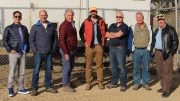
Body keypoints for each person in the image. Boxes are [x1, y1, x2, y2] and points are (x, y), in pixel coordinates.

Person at [29, 10, 57, 96]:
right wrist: (35, 51)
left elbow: (55, 39)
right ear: (39, 16)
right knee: (36, 71)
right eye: (41, 15)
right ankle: (34, 88)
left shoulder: (51, 26)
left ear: (47, 15)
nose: (43, 17)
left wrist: (53, 49)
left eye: (44, 15)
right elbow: (31, 40)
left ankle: (48, 86)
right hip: (39, 53)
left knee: (48, 70)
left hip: (48, 53)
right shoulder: (35, 27)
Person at [151, 14, 179, 98]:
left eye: (161, 20)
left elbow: (175, 42)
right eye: (159, 20)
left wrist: (172, 52)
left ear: (164, 20)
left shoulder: (171, 29)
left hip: (167, 53)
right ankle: (163, 87)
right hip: (158, 53)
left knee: (167, 72)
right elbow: (154, 41)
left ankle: (166, 90)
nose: (160, 21)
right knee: (160, 71)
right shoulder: (156, 30)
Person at [3, 11, 30, 97]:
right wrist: (9, 49)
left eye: (19, 16)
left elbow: (27, 39)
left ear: (21, 18)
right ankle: (10, 89)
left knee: (22, 72)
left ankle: (21, 88)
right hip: (13, 53)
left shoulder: (24, 28)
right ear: (13, 17)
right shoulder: (8, 28)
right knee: (12, 72)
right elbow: (4, 40)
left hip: (23, 52)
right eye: (16, 16)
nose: (17, 18)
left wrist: (27, 49)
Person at [79, 7, 106, 90]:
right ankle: (88, 83)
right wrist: (85, 42)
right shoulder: (86, 21)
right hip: (89, 46)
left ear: (96, 12)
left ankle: (100, 82)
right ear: (90, 12)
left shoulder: (101, 21)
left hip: (98, 46)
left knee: (99, 65)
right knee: (88, 65)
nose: (93, 13)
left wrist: (102, 43)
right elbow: (80, 32)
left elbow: (105, 32)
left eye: (94, 11)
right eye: (91, 11)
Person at [105, 11, 128, 92]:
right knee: (113, 67)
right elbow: (106, 35)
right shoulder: (112, 25)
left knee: (122, 67)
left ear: (122, 18)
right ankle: (114, 83)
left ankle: (123, 85)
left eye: (120, 17)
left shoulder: (125, 26)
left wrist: (112, 34)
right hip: (112, 48)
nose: (118, 18)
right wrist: (115, 34)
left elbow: (119, 35)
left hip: (120, 49)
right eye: (117, 17)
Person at [131, 12, 152, 91]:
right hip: (136, 50)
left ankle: (145, 83)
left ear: (143, 18)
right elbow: (131, 38)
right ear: (136, 18)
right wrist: (133, 49)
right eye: (137, 17)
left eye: (140, 17)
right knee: (136, 68)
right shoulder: (133, 27)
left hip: (145, 50)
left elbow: (151, 38)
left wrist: (148, 48)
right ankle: (137, 83)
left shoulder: (148, 27)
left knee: (146, 67)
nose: (139, 19)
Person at [59, 9, 77, 93]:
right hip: (66, 50)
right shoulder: (64, 25)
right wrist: (66, 53)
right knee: (67, 67)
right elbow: (61, 40)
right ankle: (65, 85)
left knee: (71, 66)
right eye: (68, 15)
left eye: (71, 15)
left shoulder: (72, 23)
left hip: (72, 49)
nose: (70, 17)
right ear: (65, 16)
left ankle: (68, 82)